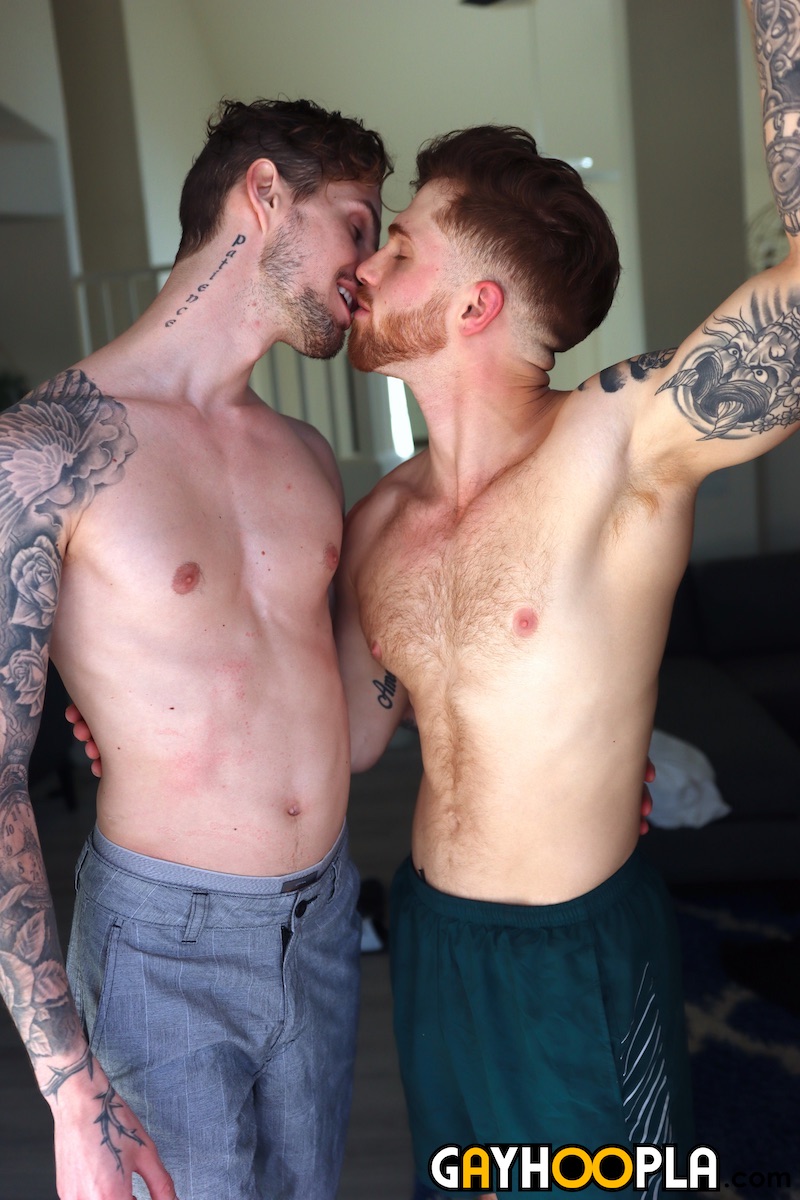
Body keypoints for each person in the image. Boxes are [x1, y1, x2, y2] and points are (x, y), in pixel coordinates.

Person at [333, 1, 800, 1195]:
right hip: (436, 943)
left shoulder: (612, 442)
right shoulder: (377, 522)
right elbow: (348, 736)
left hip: (575, 955)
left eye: (398, 244)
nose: (363, 268)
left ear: (476, 303)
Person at [0, 97, 391, 1200]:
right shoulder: (43, 453)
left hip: (323, 919)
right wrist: (70, 1089)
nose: (368, 266)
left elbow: (355, 729)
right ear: (263, 194)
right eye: (358, 225)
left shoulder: (306, 454)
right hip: (162, 949)